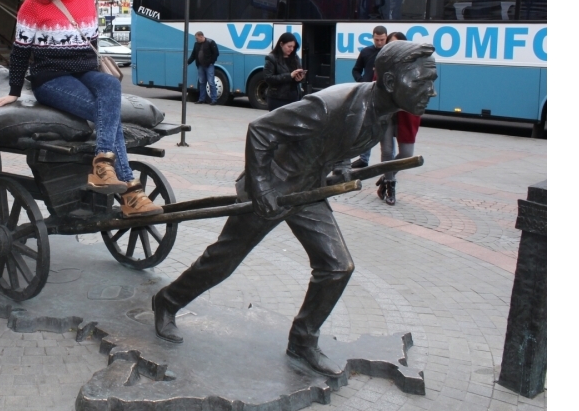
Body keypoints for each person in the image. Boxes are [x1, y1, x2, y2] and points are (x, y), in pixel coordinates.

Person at [151, 41, 438, 377]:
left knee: (337, 266)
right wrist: (262, 189)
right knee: (223, 260)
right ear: (390, 83)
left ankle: (303, 340)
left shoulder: (381, 110)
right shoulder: (329, 105)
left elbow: (339, 139)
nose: (431, 92)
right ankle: (167, 301)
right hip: (272, 186)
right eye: (423, 82)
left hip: (308, 190)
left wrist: (342, 164)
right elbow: (260, 130)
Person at [0, 0, 161, 218]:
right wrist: (14, 90)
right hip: (51, 78)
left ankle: (103, 164)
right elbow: (20, 51)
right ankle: (130, 192)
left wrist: (95, 74)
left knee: (111, 86)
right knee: (106, 114)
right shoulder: (33, 4)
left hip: (85, 70)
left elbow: (91, 42)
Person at [375, 32, 422, 206]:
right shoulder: (382, 64)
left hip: (406, 115)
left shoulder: (414, 65)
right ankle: (390, 187)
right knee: (387, 151)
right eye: (391, 45)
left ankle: (386, 175)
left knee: (406, 154)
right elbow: (376, 87)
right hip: (387, 114)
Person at [348, 25, 387, 169]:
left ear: (386, 38)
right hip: (368, 92)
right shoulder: (366, 52)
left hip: (383, 94)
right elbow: (356, 69)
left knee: (385, 128)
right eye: (377, 40)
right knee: (366, 126)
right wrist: (361, 81)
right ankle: (364, 158)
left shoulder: (389, 52)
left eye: (382, 40)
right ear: (373, 37)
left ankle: (387, 160)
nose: (380, 43)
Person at [261, 32, 306, 111]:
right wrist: (289, 76)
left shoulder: (295, 57)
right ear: (281, 44)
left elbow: (298, 77)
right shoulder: (271, 58)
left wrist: (300, 78)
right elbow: (268, 78)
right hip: (278, 99)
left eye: (293, 47)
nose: (291, 49)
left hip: (294, 98)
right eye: (289, 46)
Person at [186, 31, 220, 105]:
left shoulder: (210, 42)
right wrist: (188, 62)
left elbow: (216, 53)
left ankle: (213, 99)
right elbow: (193, 55)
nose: (196, 39)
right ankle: (201, 99)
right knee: (201, 82)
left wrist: (211, 62)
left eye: (197, 38)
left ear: (201, 36)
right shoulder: (196, 44)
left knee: (211, 82)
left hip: (209, 65)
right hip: (200, 65)